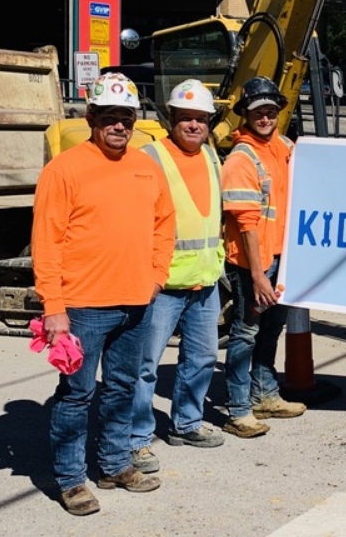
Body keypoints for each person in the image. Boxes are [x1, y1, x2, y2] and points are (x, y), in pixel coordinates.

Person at [32, 72, 176, 515]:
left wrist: (154, 278)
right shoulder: (65, 169)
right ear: (91, 117)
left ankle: (114, 465)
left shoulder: (146, 167)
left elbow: (164, 225)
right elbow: (47, 240)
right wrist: (54, 308)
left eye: (126, 118)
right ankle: (72, 480)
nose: (119, 126)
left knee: (121, 388)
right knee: (76, 395)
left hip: (136, 303)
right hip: (82, 307)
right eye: (110, 117)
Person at [130, 79, 226, 474]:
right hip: (163, 283)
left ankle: (185, 423)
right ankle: (136, 439)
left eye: (200, 119)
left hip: (204, 281)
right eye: (185, 118)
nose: (193, 125)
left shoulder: (211, 156)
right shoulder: (148, 157)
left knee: (202, 357)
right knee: (145, 364)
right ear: (171, 118)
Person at [221, 76, 307, 438]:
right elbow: (246, 224)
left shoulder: (286, 147)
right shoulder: (242, 159)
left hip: (281, 258)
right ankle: (239, 409)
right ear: (246, 114)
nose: (265, 117)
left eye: (271, 111)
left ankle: (265, 394)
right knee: (246, 333)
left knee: (271, 329)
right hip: (253, 263)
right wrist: (258, 275)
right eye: (258, 112)